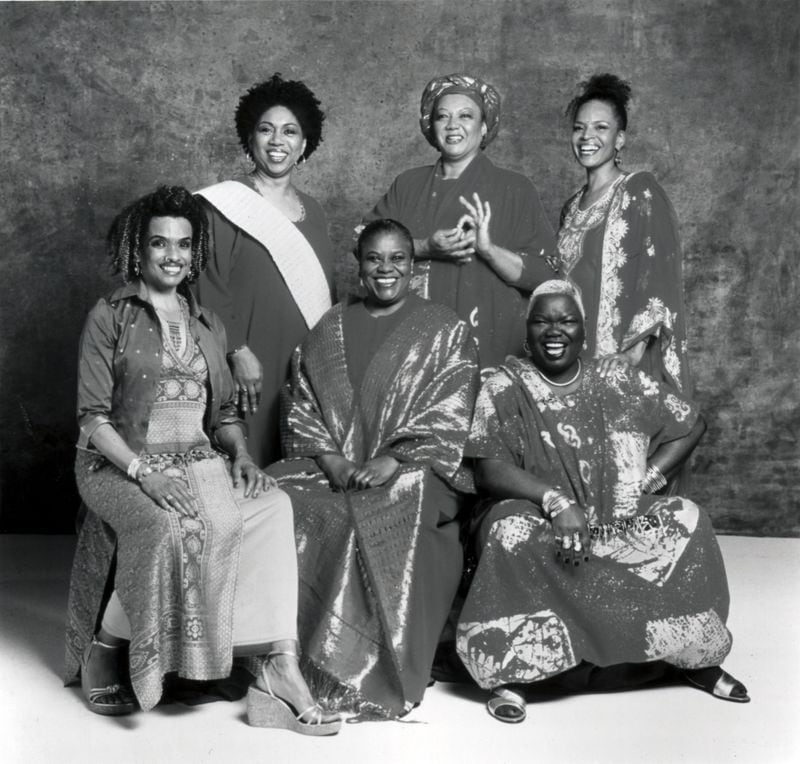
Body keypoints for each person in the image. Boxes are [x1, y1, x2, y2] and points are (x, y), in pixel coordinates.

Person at [63, 186, 340, 735]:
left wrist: (240, 456)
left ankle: (276, 668)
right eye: (160, 244)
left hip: (198, 459)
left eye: (184, 245)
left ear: (194, 253)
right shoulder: (110, 317)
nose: (173, 255)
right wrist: (145, 474)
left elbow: (225, 417)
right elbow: (92, 420)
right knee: (169, 522)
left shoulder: (208, 325)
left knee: (274, 508)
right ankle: (106, 647)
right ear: (137, 251)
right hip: (116, 465)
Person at [456, 280, 748, 723]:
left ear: (584, 332)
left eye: (566, 320)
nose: (554, 331)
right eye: (542, 321)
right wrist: (555, 502)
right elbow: (488, 469)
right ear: (527, 330)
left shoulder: (614, 378)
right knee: (509, 534)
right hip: (538, 515)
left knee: (687, 520)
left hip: (610, 516)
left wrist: (647, 480)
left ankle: (692, 658)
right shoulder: (503, 385)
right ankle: (514, 672)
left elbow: (692, 423)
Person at [267, 219, 480, 717]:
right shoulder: (331, 327)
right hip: (335, 464)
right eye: (374, 259)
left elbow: (453, 408)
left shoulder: (445, 329)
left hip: (420, 468)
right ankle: (279, 659)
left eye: (397, 259)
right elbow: (300, 401)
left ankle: (359, 670)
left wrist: (393, 458)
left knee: (383, 508)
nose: (386, 269)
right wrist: (332, 458)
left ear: (414, 264)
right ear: (359, 265)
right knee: (276, 498)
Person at [364, 73, 557, 370]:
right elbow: (363, 246)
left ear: (483, 128)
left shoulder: (515, 188)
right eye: (443, 117)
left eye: (465, 116)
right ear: (432, 127)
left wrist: (489, 250)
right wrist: (425, 246)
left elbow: (547, 276)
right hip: (413, 349)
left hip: (492, 345)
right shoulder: (408, 185)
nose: (453, 125)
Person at [195, 73, 334, 468]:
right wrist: (236, 352)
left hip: (302, 366)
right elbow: (208, 286)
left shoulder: (316, 211)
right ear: (250, 138)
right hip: (248, 361)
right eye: (266, 130)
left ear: (304, 144)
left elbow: (324, 295)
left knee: (297, 467)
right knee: (246, 465)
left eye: (290, 132)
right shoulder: (222, 204)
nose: (277, 141)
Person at [557, 73, 691, 396]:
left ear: (620, 139)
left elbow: (658, 278)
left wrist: (630, 355)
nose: (587, 136)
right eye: (579, 128)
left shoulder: (639, 192)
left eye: (600, 128)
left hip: (620, 359)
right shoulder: (571, 207)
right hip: (572, 360)